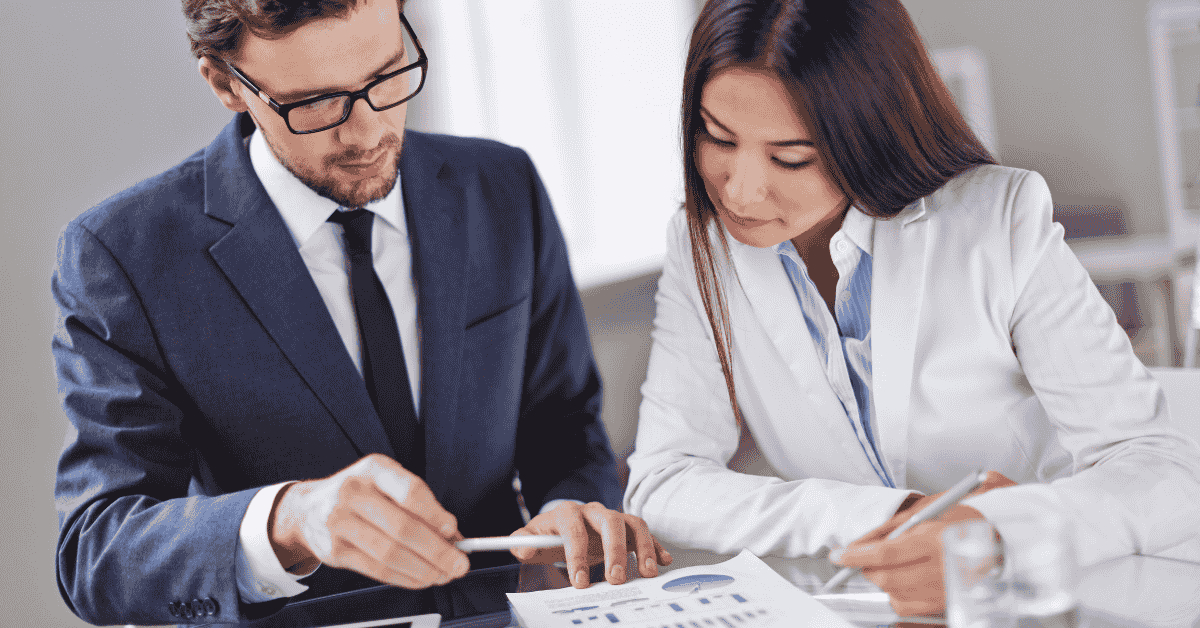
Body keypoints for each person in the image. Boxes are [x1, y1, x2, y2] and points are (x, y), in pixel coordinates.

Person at [52, 0, 670, 625]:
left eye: (387, 74)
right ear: (224, 83)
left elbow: (565, 430)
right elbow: (97, 551)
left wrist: (572, 512)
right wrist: (288, 520)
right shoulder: (124, 254)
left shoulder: (502, 185)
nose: (368, 134)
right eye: (314, 103)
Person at [623, 0, 1200, 616]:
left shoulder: (997, 220)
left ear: (867, 132)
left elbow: (1161, 474)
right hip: (873, 606)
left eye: (789, 157)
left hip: (1055, 600)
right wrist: (893, 515)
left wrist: (999, 532)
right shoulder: (700, 242)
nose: (739, 190)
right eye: (718, 137)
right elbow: (664, 481)